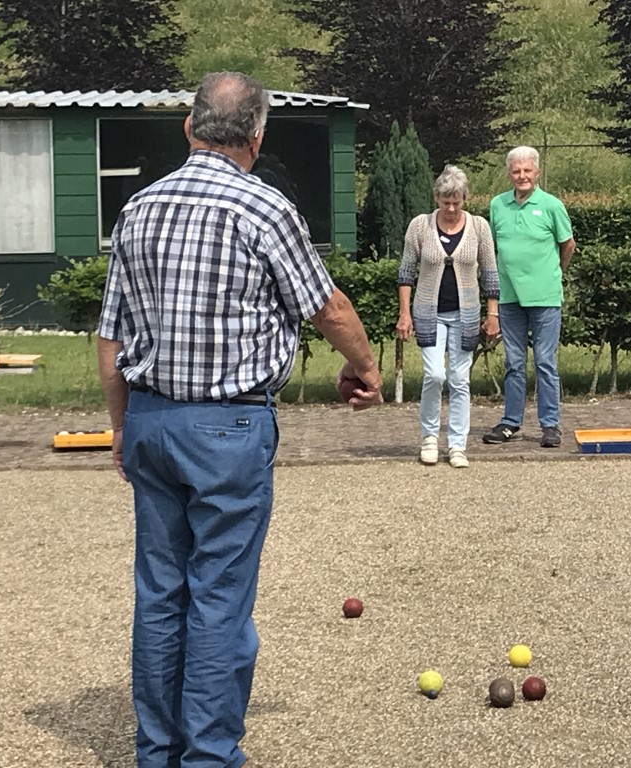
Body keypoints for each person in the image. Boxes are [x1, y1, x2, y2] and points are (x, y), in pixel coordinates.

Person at [96, 71, 383, 768]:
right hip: (228, 429)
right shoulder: (265, 208)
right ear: (258, 135)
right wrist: (365, 368)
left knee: (159, 594)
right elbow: (329, 308)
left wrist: (122, 426)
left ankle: (158, 751)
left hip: (152, 420)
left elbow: (110, 336)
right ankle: (209, 754)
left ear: (188, 127)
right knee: (218, 598)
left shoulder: (138, 209)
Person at [396, 165, 500, 468]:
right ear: (436, 198)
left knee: (459, 379)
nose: (451, 208)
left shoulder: (479, 227)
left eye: (457, 201)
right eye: (446, 202)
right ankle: (429, 438)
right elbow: (406, 272)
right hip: (429, 313)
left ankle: (457, 444)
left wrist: (492, 314)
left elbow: (490, 274)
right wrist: (404, 313)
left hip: (465, 314)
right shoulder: (420, 226)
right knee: (434, 374)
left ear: (465, 198)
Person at [483, 145, 576, 448]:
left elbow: (568, 245)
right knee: (513, 362)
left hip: (545, 297)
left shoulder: (552, 205)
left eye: (527, 170)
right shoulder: (498, 205)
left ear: (537, 172)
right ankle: (511, 422)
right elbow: (494, 249)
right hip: (510, 298)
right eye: (516, 171)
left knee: (545, 362)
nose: (522, 176)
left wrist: (554, 273)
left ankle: (550, 425)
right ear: (509, 174)